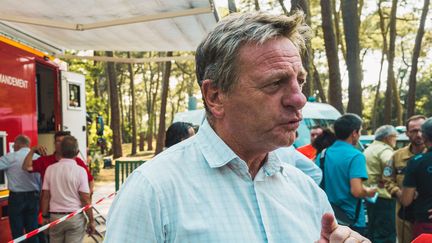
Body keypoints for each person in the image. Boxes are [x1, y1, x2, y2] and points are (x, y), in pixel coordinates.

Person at [105, 12, 370, 242]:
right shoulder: (153, 191)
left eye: (299, 81)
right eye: (275, 83)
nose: (298, 98)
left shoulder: (307, 192)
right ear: (215, 97)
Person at [318, 113, 376, 236]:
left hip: (327, 216)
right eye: (360, 131)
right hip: (351, 219)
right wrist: (369, 191)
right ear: (354, 133)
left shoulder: (324, 153)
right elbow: (357, 191)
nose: (359, 135)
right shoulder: (356, 156)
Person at [41, 136, 95, 243]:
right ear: (77, 152)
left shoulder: (50, 169)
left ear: (60, 150)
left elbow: (45, 197)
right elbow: (85, 198)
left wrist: (44, 216)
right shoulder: (80, 171)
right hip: (74, 218)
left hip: (55, 218)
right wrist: (91, 220)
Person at [384, 115, 427, 243]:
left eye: (421, 130)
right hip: (404, 214)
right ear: (407, 133)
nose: (418, 134)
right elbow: (387, 179)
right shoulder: (397, 156)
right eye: (414, 131)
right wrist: (399, 193)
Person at [22, 131, 94, 192]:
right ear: (54, 144)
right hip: (49, 206)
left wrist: (88, 197)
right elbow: (26, 167)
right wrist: (33, 150)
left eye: (64, 141)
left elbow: (90, 180)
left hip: (72, 206)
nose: (61, 144)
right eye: (58, 141)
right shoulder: (44, 160)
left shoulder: (78, 162)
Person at [0, 135, 41, 242]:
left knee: (17, 232)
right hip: (34, 196)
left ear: (18, 144)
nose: (13, 147)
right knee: (32, 230)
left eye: (14, 145)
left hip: (16, 198)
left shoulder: (10, 157)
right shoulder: (38, 158)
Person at [363, 125, 398, 243]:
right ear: (387, 138)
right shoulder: (385, 150)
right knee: (386, 235)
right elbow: (392, 165)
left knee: (373, 232)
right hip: (385, 197)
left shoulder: (368, 148)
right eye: (394, 137)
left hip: (371, 196)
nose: (396, 140)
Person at [400, 117, 432, 240]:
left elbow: (406, 200)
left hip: (425, 223)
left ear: (424, 137)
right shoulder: (400, 156)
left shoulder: (416, 162)